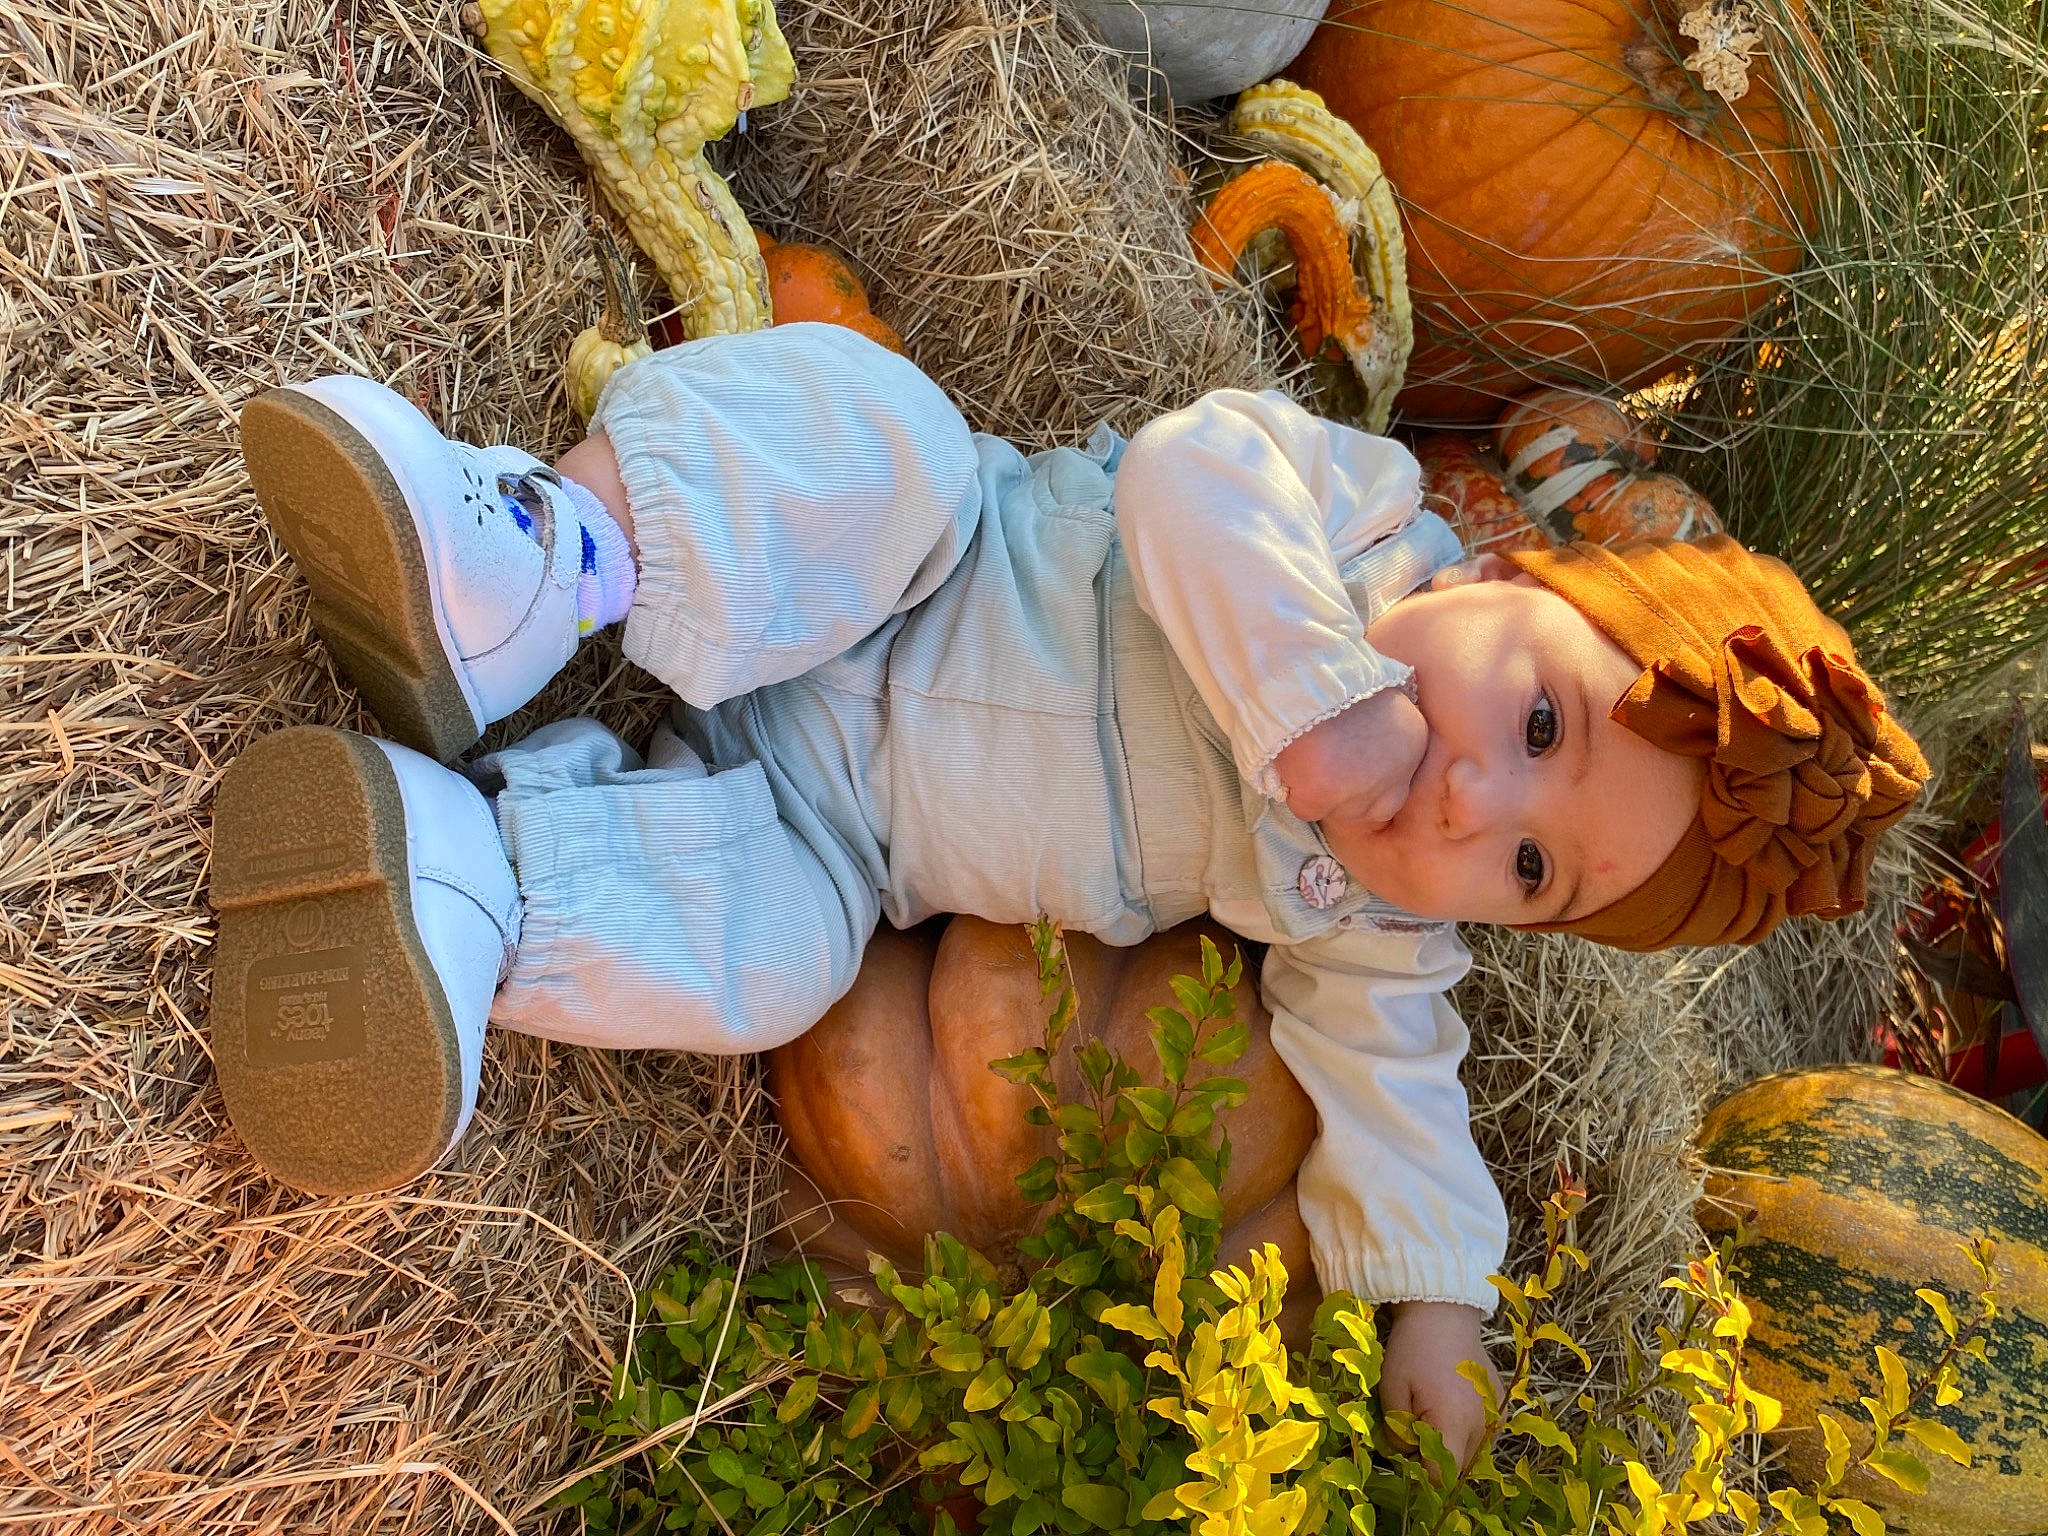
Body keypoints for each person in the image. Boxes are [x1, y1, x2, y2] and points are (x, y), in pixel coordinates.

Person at [209, 324, 1927, 1466]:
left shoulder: (1378, 910)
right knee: (866, 438)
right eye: (1537, 718)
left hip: (849, 823)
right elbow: (1191, 475)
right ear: (1514, 576)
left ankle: (468, 875)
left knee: (781, 966)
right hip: (916, 576)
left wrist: (1438, 1302)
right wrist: (1309, 701)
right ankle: (527, 560)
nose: (1479, 796)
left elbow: (1393, 1078)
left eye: (1532, 868)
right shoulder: (1359, 522)